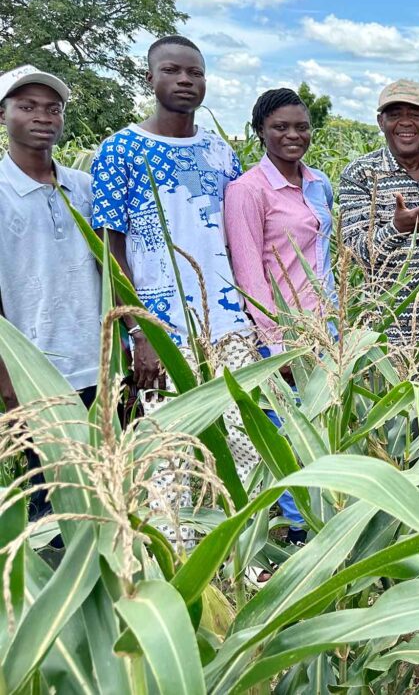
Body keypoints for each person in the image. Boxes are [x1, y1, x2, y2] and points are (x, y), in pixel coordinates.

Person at [91, 35, 259, 544]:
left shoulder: (219, 152)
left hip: (229, 324)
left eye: (195, 73)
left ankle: (244, 556)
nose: (185, 80)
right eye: (172, 70)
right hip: (161, 331)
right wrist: (139, 330)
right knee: (170, 454)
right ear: (150, 78)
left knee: (243, 446)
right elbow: (108, 249)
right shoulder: (120, 150)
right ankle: (177, 562)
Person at [225, 87, 336, 554]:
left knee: (325, 429)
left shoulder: (318, 183)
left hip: (326, 328)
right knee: (289, 434)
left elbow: (328, 256)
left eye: (301, 126)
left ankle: (329, 520)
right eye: (280, 127)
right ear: (260, 133)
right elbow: (250, 274)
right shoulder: (247, 190)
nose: (293, 135)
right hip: (286, 338)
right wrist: (277, 344)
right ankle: (298, 531)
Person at [0, 65, 102, 518]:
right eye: (27, 107)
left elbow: (110, 268)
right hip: (35, 372)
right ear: (3, 115)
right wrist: (9, 378)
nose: (43, 116)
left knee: (105, 484)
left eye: (52, 108)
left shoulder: (83, 187)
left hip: (99, 363)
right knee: (53, 498)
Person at [338, 79, 419, 399]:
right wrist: (396, 229)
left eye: (416, 113)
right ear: (380, 121)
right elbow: (352, 251)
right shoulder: (361, 174)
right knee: (397, 441)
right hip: (389, 340)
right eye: (395, 113)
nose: (405, 122)